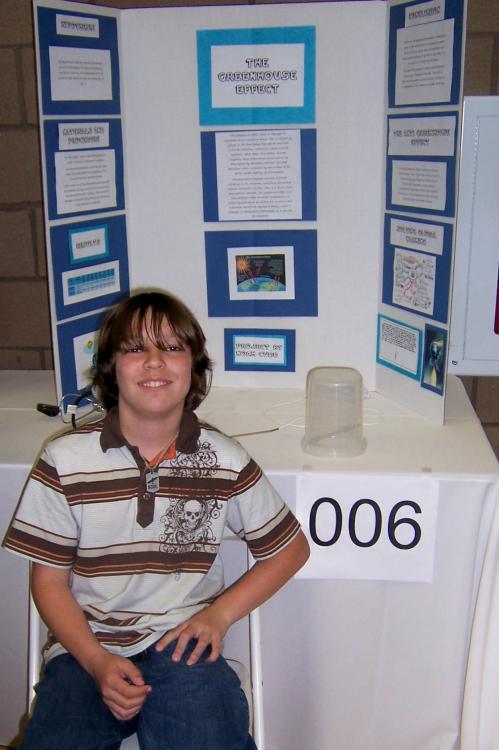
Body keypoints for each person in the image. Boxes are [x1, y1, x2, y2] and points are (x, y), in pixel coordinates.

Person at [3, 289, 310, 750]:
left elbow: (291, 550)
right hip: (86, 648)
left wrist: (219, 616)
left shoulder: (224, 458)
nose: (153, 361)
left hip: (182, 645)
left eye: (171, 347)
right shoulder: (64, 460)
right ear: (111, 367)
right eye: (134, 348)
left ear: (194, 367)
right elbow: (48, 583)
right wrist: (97, 662)